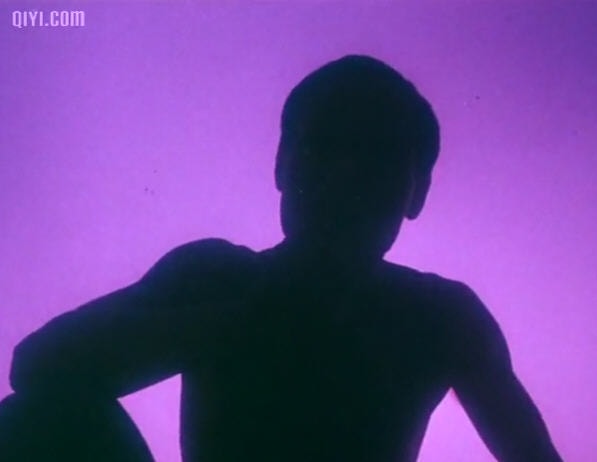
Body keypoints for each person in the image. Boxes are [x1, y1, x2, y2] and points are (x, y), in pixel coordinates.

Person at [1, 55, 563, 461]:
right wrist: (238, 320)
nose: (345, 177)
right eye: (324, 146)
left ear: (416, 193)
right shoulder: (217, 276)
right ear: (281, 165)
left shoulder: (441, 316)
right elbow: (37, 372)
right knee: (40, 415)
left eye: (377, 157)